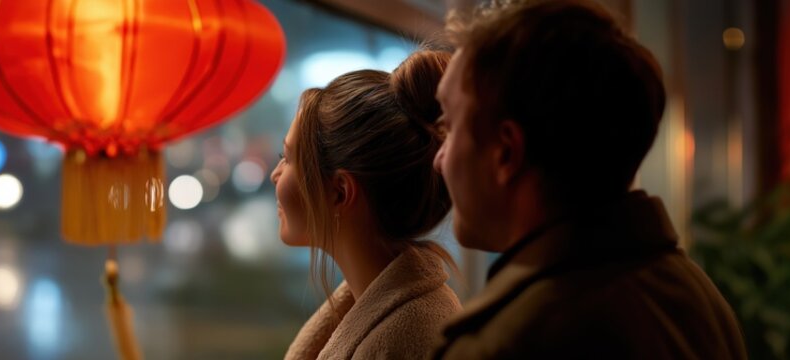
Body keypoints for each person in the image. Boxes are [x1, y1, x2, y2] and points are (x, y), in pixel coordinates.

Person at [430, 0, 746, 358]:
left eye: (449, 126)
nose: (439, 161)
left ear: (506, 151)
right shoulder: (698, 299)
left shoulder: (505, 343)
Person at [271, 50, 461, 360]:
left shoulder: (402, 342)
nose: (274, 175)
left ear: (340, 191)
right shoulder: (398, 318)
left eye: (288, 158)